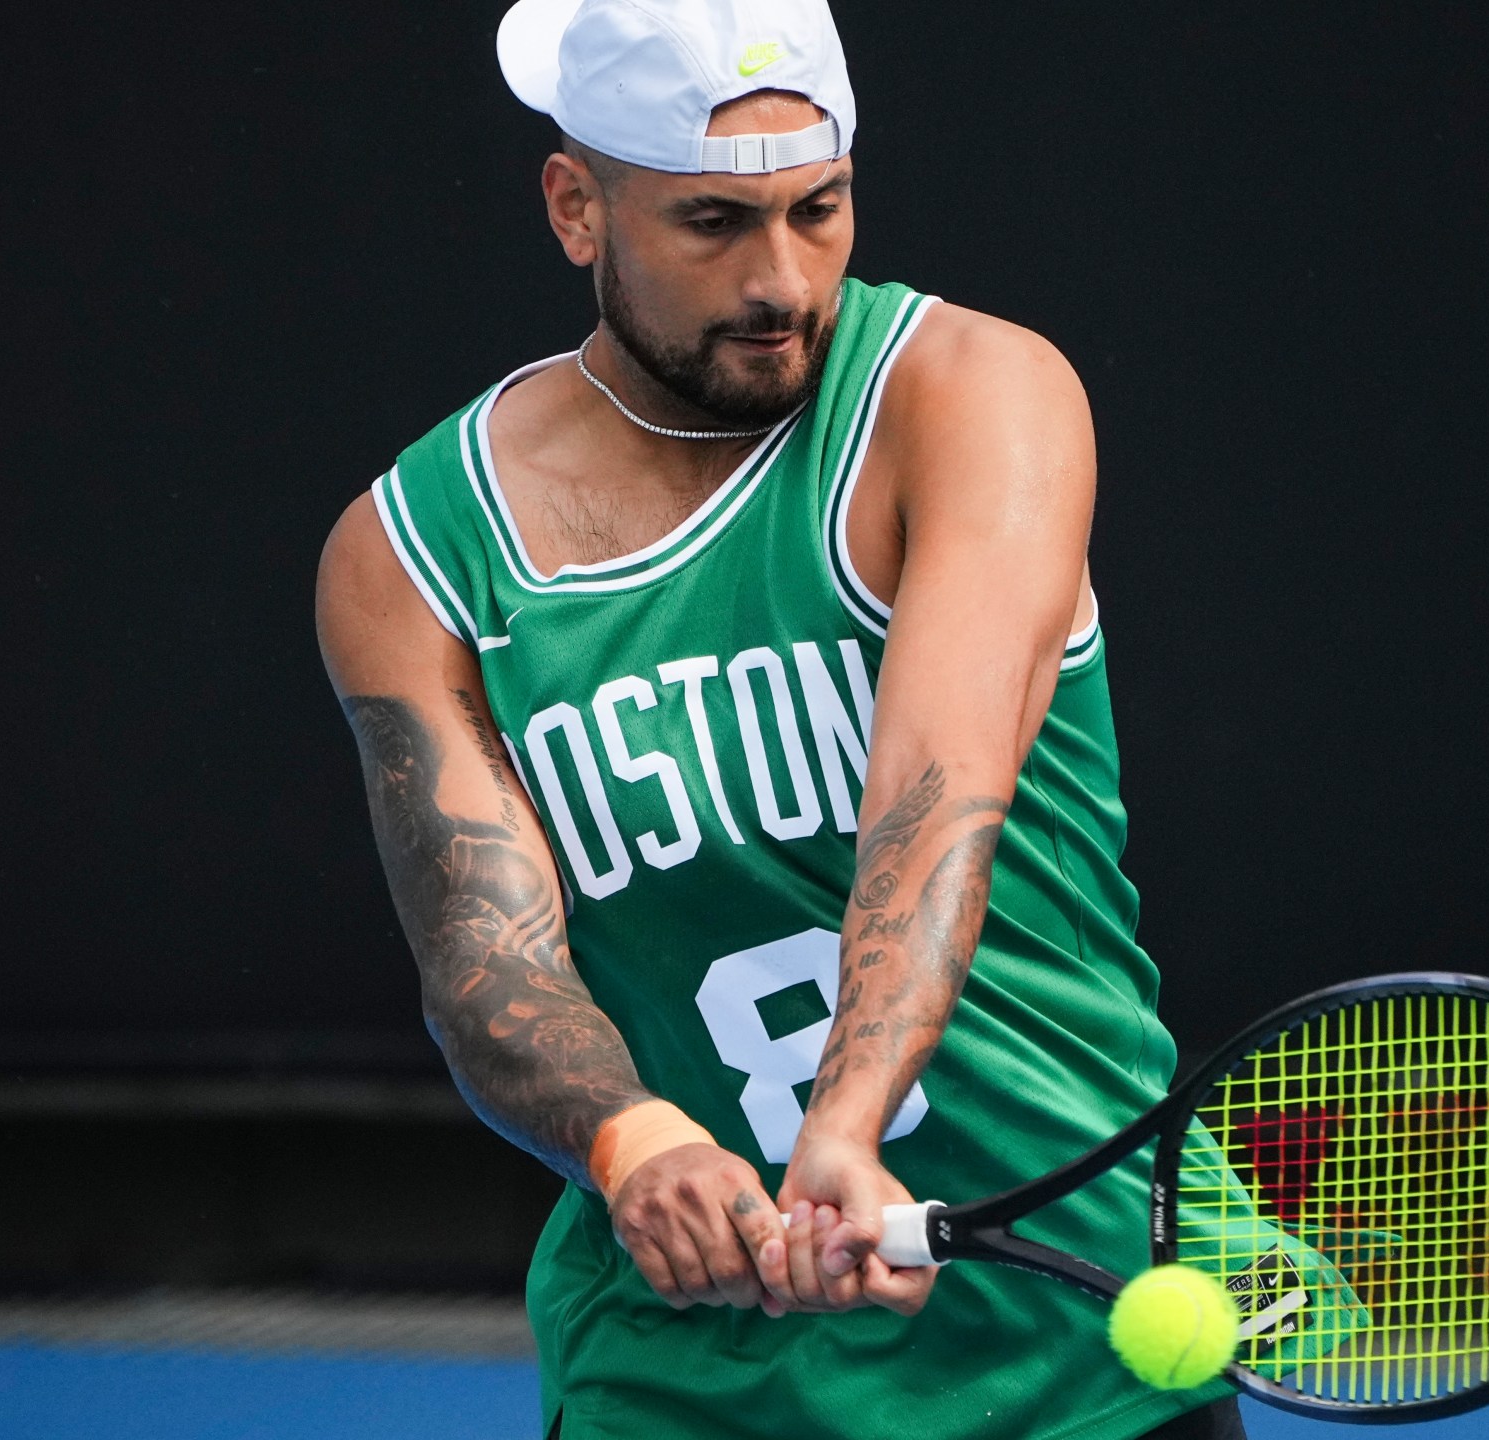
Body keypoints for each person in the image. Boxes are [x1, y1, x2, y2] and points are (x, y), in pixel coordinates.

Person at [315, 1, 1245, 1434]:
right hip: (675, 1384)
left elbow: (937, 804)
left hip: (1074, 1350)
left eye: (820, 209)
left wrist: (846, 1122)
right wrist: (634, 1146)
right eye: (711, 224)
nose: (781, 279)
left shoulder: (968, 395)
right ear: (577, 207)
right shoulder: (415, 554)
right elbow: (484, 965)